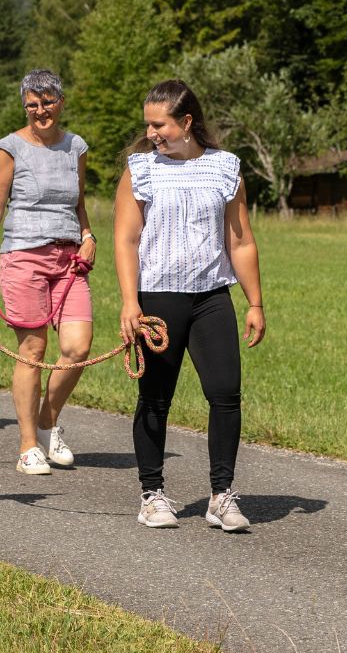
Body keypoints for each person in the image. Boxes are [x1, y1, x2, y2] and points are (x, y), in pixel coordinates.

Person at [114, 79, 265, 532]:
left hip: (211, 298)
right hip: (158, 297)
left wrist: (255, 302)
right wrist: (129, 302)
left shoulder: (225, 168)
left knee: (225, 393)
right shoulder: (141, 169)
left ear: (185, 121)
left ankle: (221, 496)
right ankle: (152, 495)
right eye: (148, 124)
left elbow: (240, 240)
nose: (151, 133)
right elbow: (126, 240)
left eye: (159, 125)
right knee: (155, 397)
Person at [0, 69, 94, 476]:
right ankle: (28, 446)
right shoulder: (10, 148)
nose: (40, 111)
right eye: (32, 104)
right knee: (33, 351)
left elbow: (79, 204)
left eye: (47, 102)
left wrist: (88, 235)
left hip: (69, 260)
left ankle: (48, 422)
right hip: (24, 257)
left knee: (77, 348)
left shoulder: (76, 147)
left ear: (61, 102)